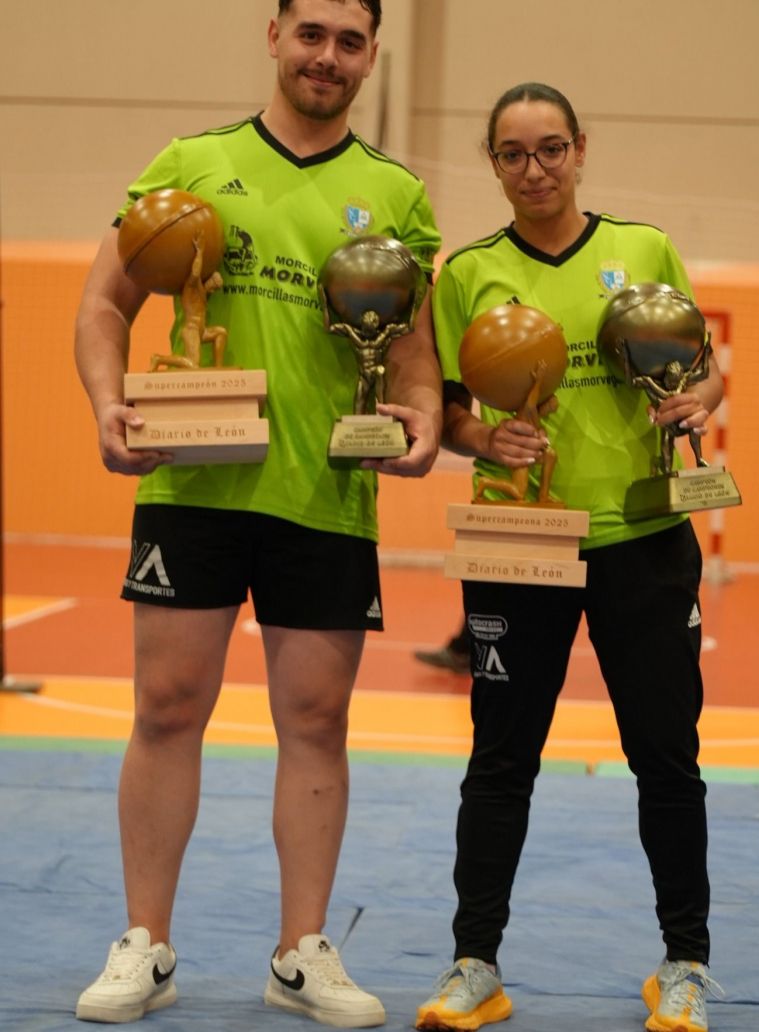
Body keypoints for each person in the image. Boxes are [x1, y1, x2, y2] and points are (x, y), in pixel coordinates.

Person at [73, 1, 442, 1026]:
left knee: (316, 721)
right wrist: (108, 404)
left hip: (324, 489)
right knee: (165, 707)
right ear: (272, 34)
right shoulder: (188, 163)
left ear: (373, 54)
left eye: (350, 40)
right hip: (191, 480)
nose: (328, 55)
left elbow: (410, 352)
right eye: (311, 32)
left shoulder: (396, 195)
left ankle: (300, 955)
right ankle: (145, 943)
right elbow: (105, 302)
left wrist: (414, 420)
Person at [415, 82, 723, 1032]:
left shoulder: (644, 248)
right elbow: (450, 408)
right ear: (494, 163)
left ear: (581, 149)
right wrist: (479, 440)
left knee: (666, 757)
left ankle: (684, 963)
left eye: (551, 149)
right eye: (513, 154)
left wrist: (699, 399)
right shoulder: (466, 273)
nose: (535, 169)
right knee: (501, 759)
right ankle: (475, 965)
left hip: (643, 539)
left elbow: (701, 362)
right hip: (520, 546)